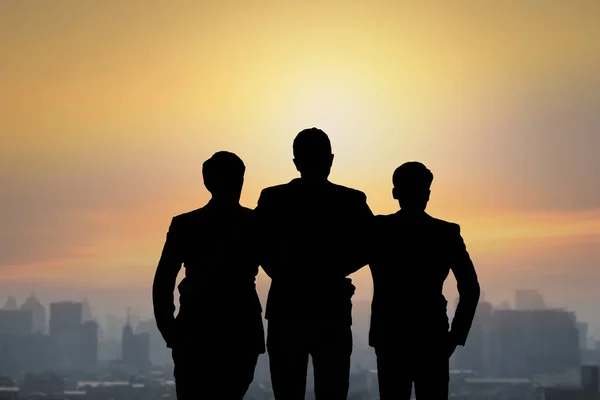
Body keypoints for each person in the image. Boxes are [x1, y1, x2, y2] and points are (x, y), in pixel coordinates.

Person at [255, 128, 373, 400]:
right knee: (332, 391)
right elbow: (371, 245)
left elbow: (257, 244)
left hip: (287, 307)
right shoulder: (350, 200)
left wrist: (283, 272)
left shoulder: (273, 198)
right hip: (331, 309)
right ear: (330, 159)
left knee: (287, 391)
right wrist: (334, 270)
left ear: (296, 162)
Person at [152, 151, 265, 400]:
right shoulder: (255, 222)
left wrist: (170, 331)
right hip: (238, 333)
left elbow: (163, 281)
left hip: (196, 332)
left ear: (207, 182)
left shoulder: (186, 224)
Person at [369, 161, 480, 399]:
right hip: (432, 337)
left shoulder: (378, 229)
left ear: (395, 193)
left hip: (391, 336)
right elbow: (470, 289)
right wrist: (454, 337)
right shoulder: (446, 233)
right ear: (427, 194)